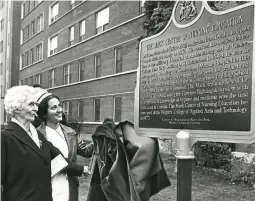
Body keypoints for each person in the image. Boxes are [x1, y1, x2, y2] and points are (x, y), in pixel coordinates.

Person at [1, 85, 90, 201]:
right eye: (31, 104)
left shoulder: (37, 135)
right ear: (17, 108)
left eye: (36, 105)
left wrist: (81, 169)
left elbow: (59, 159)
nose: (35, 109)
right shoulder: (5, 137)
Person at [35, 90, 93, 201]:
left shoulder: (70, 132)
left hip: (69, 186)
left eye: (59, 106)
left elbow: (87, 151)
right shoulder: (37, 135)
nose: (59, 110)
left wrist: (100, 138)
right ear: (44, 113)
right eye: (54, 108)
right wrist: (79, 169)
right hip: (48, 186)